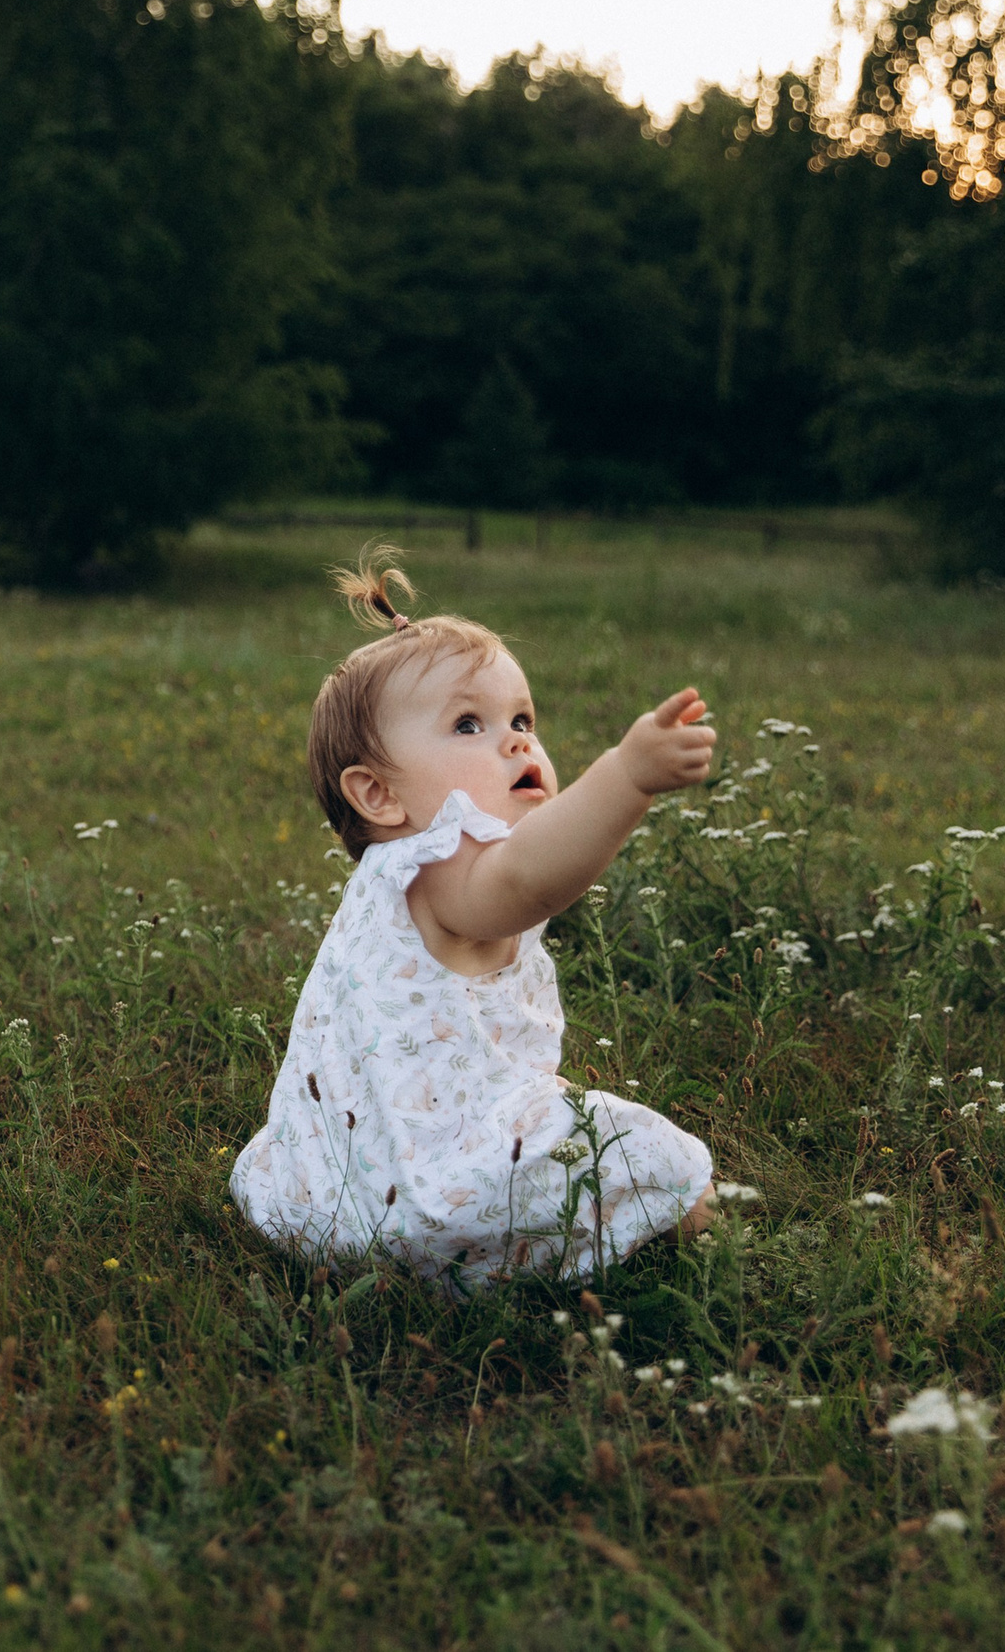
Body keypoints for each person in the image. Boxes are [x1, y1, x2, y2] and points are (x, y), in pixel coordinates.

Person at [229, 544, 719, 1293]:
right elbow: (527, 876)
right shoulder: (446, 872)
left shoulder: (390, 880)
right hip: (435, 1192)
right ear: (378, 796)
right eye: (468, 725)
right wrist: (627, 775)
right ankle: (646, 1255)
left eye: (522, 717)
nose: (517, 739)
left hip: (343, 1176)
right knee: (667, 1164)